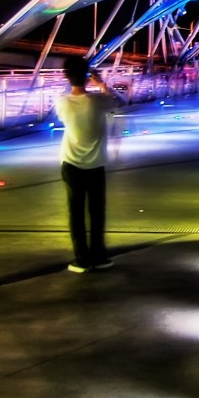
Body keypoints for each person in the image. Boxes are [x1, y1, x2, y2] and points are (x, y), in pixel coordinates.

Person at [56, 53, 117, 272]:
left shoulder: (61, 102)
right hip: (96, 164)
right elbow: (120, 101)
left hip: (71, 163)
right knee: (97, 211)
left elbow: (66, 115)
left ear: (66, 76)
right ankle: (99, 256)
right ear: (87, 75)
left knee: (76, 212)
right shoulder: (98, 101)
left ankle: (81, 259)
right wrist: (100, 83)